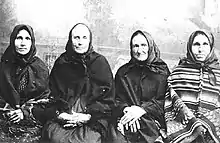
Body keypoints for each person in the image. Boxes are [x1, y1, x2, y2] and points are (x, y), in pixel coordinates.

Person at [41, 23, 115, 143]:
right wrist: (60, 114)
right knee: (54, 137)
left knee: (88, 140)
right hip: (65, 115)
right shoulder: (62, 63)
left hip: (92, 117)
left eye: (84, 38)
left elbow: (108, 100)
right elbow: (51, 96)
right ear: (70, 40)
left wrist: (87, 116)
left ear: (90, 40)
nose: (80, 42)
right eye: (76, 38)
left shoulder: (100, 63)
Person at [109, 30, 170, 143]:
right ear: (131, 49)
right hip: (125, 119)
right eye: (135, 46)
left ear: (150, 46)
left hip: (152, 119)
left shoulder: (161, 71)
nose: (139, 50)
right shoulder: (123, 72)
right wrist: (127, 110)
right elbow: (115, 99)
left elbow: (164, 101)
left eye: (143, 45)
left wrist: (142, 110)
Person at [164, 29, 220, 143]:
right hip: (185, 132)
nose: (200, 49)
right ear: (190, 47)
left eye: (205, 44)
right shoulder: (177, 73)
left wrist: (207, 122)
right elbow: (171, 102)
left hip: (214, 132)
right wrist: (193, 124)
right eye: (196, 44)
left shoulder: (218, 73)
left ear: (211, 47)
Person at [0, 24, 50, 142]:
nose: (23, 43)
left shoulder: (40, 68)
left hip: (31, 123)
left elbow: (45, 99)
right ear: (13, 41)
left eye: (27, 39)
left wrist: (24, 112)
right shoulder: (3, 65)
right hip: (3, 118)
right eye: (19, 38)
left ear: (32, 42)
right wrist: (7, 109)